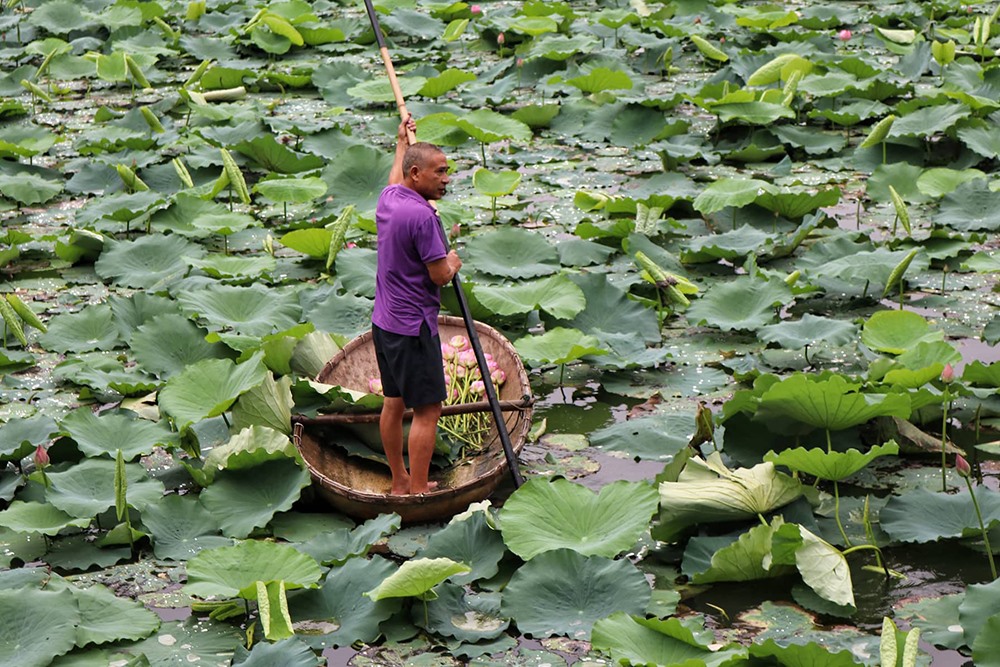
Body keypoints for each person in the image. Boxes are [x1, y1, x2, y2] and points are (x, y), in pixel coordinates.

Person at [372, 116, 462, 495]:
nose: (446, 179)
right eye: (439, 172)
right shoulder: (424, 217)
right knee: (428, 410)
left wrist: (399, 140)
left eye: (447, 171)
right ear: (416, 174)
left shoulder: (390, 198)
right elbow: (440, 275)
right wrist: (454, 257)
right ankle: (421, 489)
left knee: (394, 402)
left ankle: (399, 481)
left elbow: (395, 176)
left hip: (384, 323)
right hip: (413, 328)